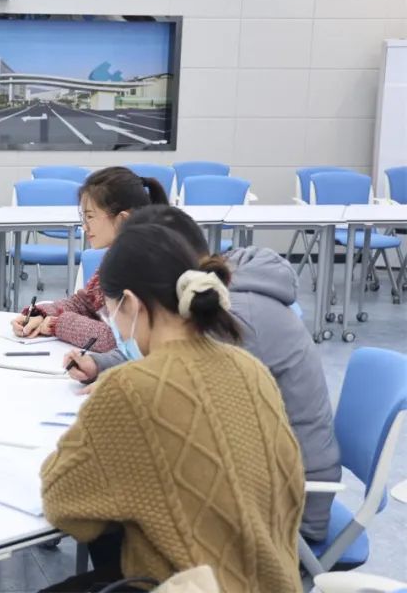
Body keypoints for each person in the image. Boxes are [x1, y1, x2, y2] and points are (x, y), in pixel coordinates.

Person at [39, 223, 305, 593]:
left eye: (112, 314)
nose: (115, 328)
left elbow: (64, 508)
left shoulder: (130, 386)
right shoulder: (250, 368)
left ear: (130, 304)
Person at [63, 205, 340, 542]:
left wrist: (118, 394)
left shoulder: (234, 319)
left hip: (286, 510)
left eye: (115, 314)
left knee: (111, 510)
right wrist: (102, 364)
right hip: (261, 479)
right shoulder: (214, 300)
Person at [11, 166, 169, 352]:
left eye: (90, 217)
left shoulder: (146, 264)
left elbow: (119, 338)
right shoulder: (120, 253)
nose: (84, 227)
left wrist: (57, 324)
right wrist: (40, 314)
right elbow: (85, 303)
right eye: (83, 217)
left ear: (122, 219)